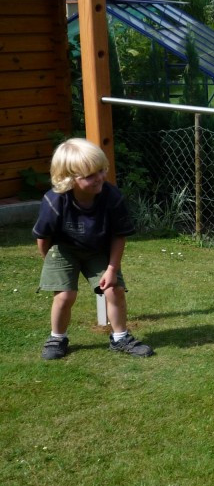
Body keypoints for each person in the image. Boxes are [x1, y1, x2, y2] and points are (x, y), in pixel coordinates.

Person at [33, 138, 154, 360]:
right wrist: (50, 262)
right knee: (65, 296)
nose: (99, 178)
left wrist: (111, 269)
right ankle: (57, 338)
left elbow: (119, 235)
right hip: (63, 250)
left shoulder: (112, 197)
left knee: (113, 290)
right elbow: (44, 237)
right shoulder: (55, 201)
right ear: (68, 179)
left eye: (101, 170)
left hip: (99, 249)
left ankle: (120, 338)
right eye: (90, 175)